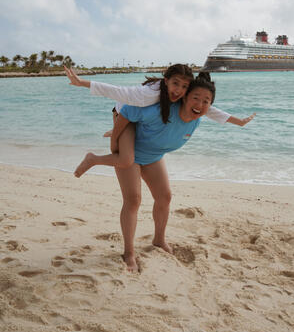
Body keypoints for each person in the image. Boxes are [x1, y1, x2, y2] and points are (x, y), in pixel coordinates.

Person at [105, 73, 216, 272]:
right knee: (133, 200)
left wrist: (241, 121)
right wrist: (114, 138)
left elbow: (220, 114)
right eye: (196, 98)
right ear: (185, 97)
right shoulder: (161, 110)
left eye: (206, 101)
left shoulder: (197, 119)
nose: (200, 104)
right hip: (129, 152)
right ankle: (129, 253)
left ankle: (158, 240)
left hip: (152, 156)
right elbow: (128, 110)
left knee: (164, 197)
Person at [64, 64, 255, 177]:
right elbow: (118, 92)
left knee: (127, 143)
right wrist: (82, 83)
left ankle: (113, 133)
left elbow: (208, 108)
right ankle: (93, 159)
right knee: (125, 160)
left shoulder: (182, 95)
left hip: (140, 119)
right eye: (175, 84)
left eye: (184, 87)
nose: (179, 90)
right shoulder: (147, 95)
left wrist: (239, 122)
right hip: (124, 113)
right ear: (166, 81)